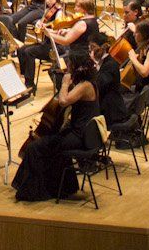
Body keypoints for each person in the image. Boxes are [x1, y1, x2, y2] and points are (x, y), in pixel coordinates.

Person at [11, 56, 102, 202]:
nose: (67, 69)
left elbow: (63, 101)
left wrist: (65, 83)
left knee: (35, 147)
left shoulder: (84, 85)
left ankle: (36, 192)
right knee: (49, 144)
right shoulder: (89, 83)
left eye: (69, 66)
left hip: (80, 136)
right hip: (83, 133)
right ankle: (61, 188)